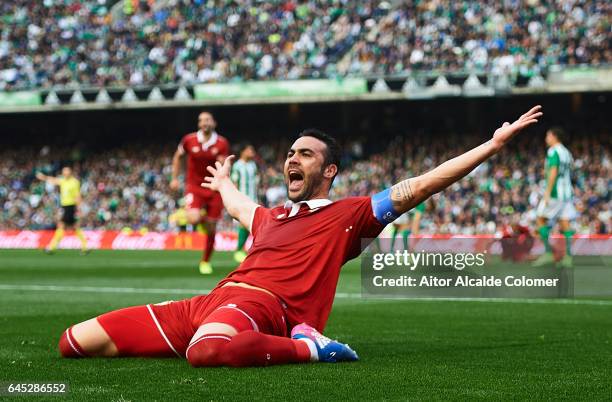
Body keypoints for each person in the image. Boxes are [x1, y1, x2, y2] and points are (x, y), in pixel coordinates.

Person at [58, 106, 543, 367]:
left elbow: (423, 184)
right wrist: (223, 183)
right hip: (212, 302)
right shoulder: (270, 217)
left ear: (328, 169)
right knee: (75, 342)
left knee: (206, 352)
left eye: (306, 154)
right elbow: (240, 207)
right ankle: (277, 340)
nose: (293, 158)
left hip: (263, 307)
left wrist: (492, 145)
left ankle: (312, 346)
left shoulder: (349, 215)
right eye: (291, 152)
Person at [170, 111, 229, 274]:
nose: (205, 123)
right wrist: (174, 178)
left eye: (208, 120)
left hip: (214, 187)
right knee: (193, 218)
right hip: (194, 187)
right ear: (198, 124)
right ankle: (202, 218)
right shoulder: (189, 140)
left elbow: (223, 165)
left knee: (212, 228)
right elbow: (177, 157)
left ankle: (205, 261)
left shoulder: (222, 143)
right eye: (201, 120)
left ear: (214, 123)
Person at [532, 127, 576, 268]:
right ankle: (568, 257)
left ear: (554, 136)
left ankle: (548, 253)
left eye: (548, 135)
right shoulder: (566, 152)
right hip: (567, 192)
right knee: (565, 223)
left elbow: (553, 172)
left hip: (555, 193)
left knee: (540, 219)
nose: (546, 138)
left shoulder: (553, 151)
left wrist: (547, 192)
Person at [36, 166, 88, 254]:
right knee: (74, 227)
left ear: (70, 172)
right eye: (64, 172)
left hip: (70, 206)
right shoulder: (63, 180)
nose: (64, 173)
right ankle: (84, 247)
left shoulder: (74, 182)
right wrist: (43, 177)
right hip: (65, 206)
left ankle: (52, 247)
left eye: (66, 172)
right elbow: (54, 180)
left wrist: (79, 208)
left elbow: (77, 195)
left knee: (61, 225)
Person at [231, 144, 259, 262]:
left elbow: (256, 183)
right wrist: (235, 199)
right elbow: (235, 183)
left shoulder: (253, 165)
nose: (252, 151)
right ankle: (238, 250)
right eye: (249, 149)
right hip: (242, 199)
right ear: (243, 152)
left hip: (253, 199)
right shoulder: (237, 166)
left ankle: (243, 249)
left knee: (250, 225)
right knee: (244, 224)